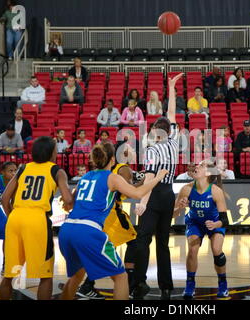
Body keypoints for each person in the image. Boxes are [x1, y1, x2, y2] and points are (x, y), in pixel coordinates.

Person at [58, 142, 168, 300]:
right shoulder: (112, 177)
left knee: (76, 276)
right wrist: (158, 177)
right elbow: (137, 194)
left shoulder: (85, 177)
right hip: (88, 231)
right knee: (120, 277)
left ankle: (86, 286)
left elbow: (68, 205)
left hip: (67, 230)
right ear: (112, 159)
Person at [128, 73, 183, 300]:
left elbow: (150, 177)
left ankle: (139, 283)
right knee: (163, 242)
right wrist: (171, 88)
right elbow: (171, 113)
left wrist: (142, 202)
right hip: (169, 194)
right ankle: (166, 286)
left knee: (142, 239)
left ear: (154, 132)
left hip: (154, 194)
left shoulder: (152, 150)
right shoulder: (174, 142)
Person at [0, 136, 73, 300]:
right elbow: (68, 200)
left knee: (10, 273)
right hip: (37, 219)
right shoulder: (56, 170)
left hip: (15, 218)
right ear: (52, 152)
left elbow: (4, 198)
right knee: (45, 275)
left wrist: (13, 216)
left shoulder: (23, 168)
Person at [76, 142, 144, 299]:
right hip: (113, 214)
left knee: (100, 249)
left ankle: (87, 285)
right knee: (134, 242)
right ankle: (130, 284)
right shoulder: (123, 168)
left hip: (98, 214)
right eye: (129, 149)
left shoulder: (100, 170)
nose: (132, 151)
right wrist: (146, 180)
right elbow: (128, 191)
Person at [173, 160, 229, 299]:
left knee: (217, 250)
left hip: (214, 223)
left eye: (201, 165)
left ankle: (222, 283)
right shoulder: (186, 189)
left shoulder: (216, 191)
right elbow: (173, 214)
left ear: (208, 173)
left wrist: (216, 225)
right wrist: (180, 207)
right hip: (195, 223)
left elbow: (225, 220)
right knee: (192, 249)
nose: (197, 166)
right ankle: (190, 284)